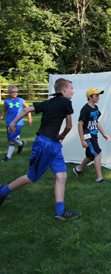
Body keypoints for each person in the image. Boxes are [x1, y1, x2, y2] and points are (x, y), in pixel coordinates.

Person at [0, 78, 81, 220]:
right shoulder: (66, 102)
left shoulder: (50, 102)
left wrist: (13, 122)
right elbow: (69, 126)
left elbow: (27, 109)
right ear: (64, 89)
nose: (73, 92)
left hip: (54, 145)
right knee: (31, 177)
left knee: (62, 175)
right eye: (72, 88)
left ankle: (60, 212)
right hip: (45, 144)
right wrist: (61, 136)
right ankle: (3, 190)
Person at [73, 88, 111, 183]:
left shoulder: (96, 108)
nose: (98, 97)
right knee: (97, 153)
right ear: (90, 97)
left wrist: (104, 134)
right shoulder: (85, 109)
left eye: (99, 95)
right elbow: (80, 124)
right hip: (88, 136)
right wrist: (82, 140)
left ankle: (78, 169)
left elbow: (96, 122)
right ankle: (99, 178)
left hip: (94, 135)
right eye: (96, 95)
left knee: (91, 155)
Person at [0, 86, 32, 162]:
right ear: (9, 93)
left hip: (18, 123)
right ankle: (21, 143)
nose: (14, 93)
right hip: (9, 122)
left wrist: (29, 118)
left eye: (16, 92)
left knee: (11, 140)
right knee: (10, 138)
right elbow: (4, 110)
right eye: (12, 92)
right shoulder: (6, 101)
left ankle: (8, 157)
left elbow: (28, 109)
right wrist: (2, 116)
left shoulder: (21, 100)